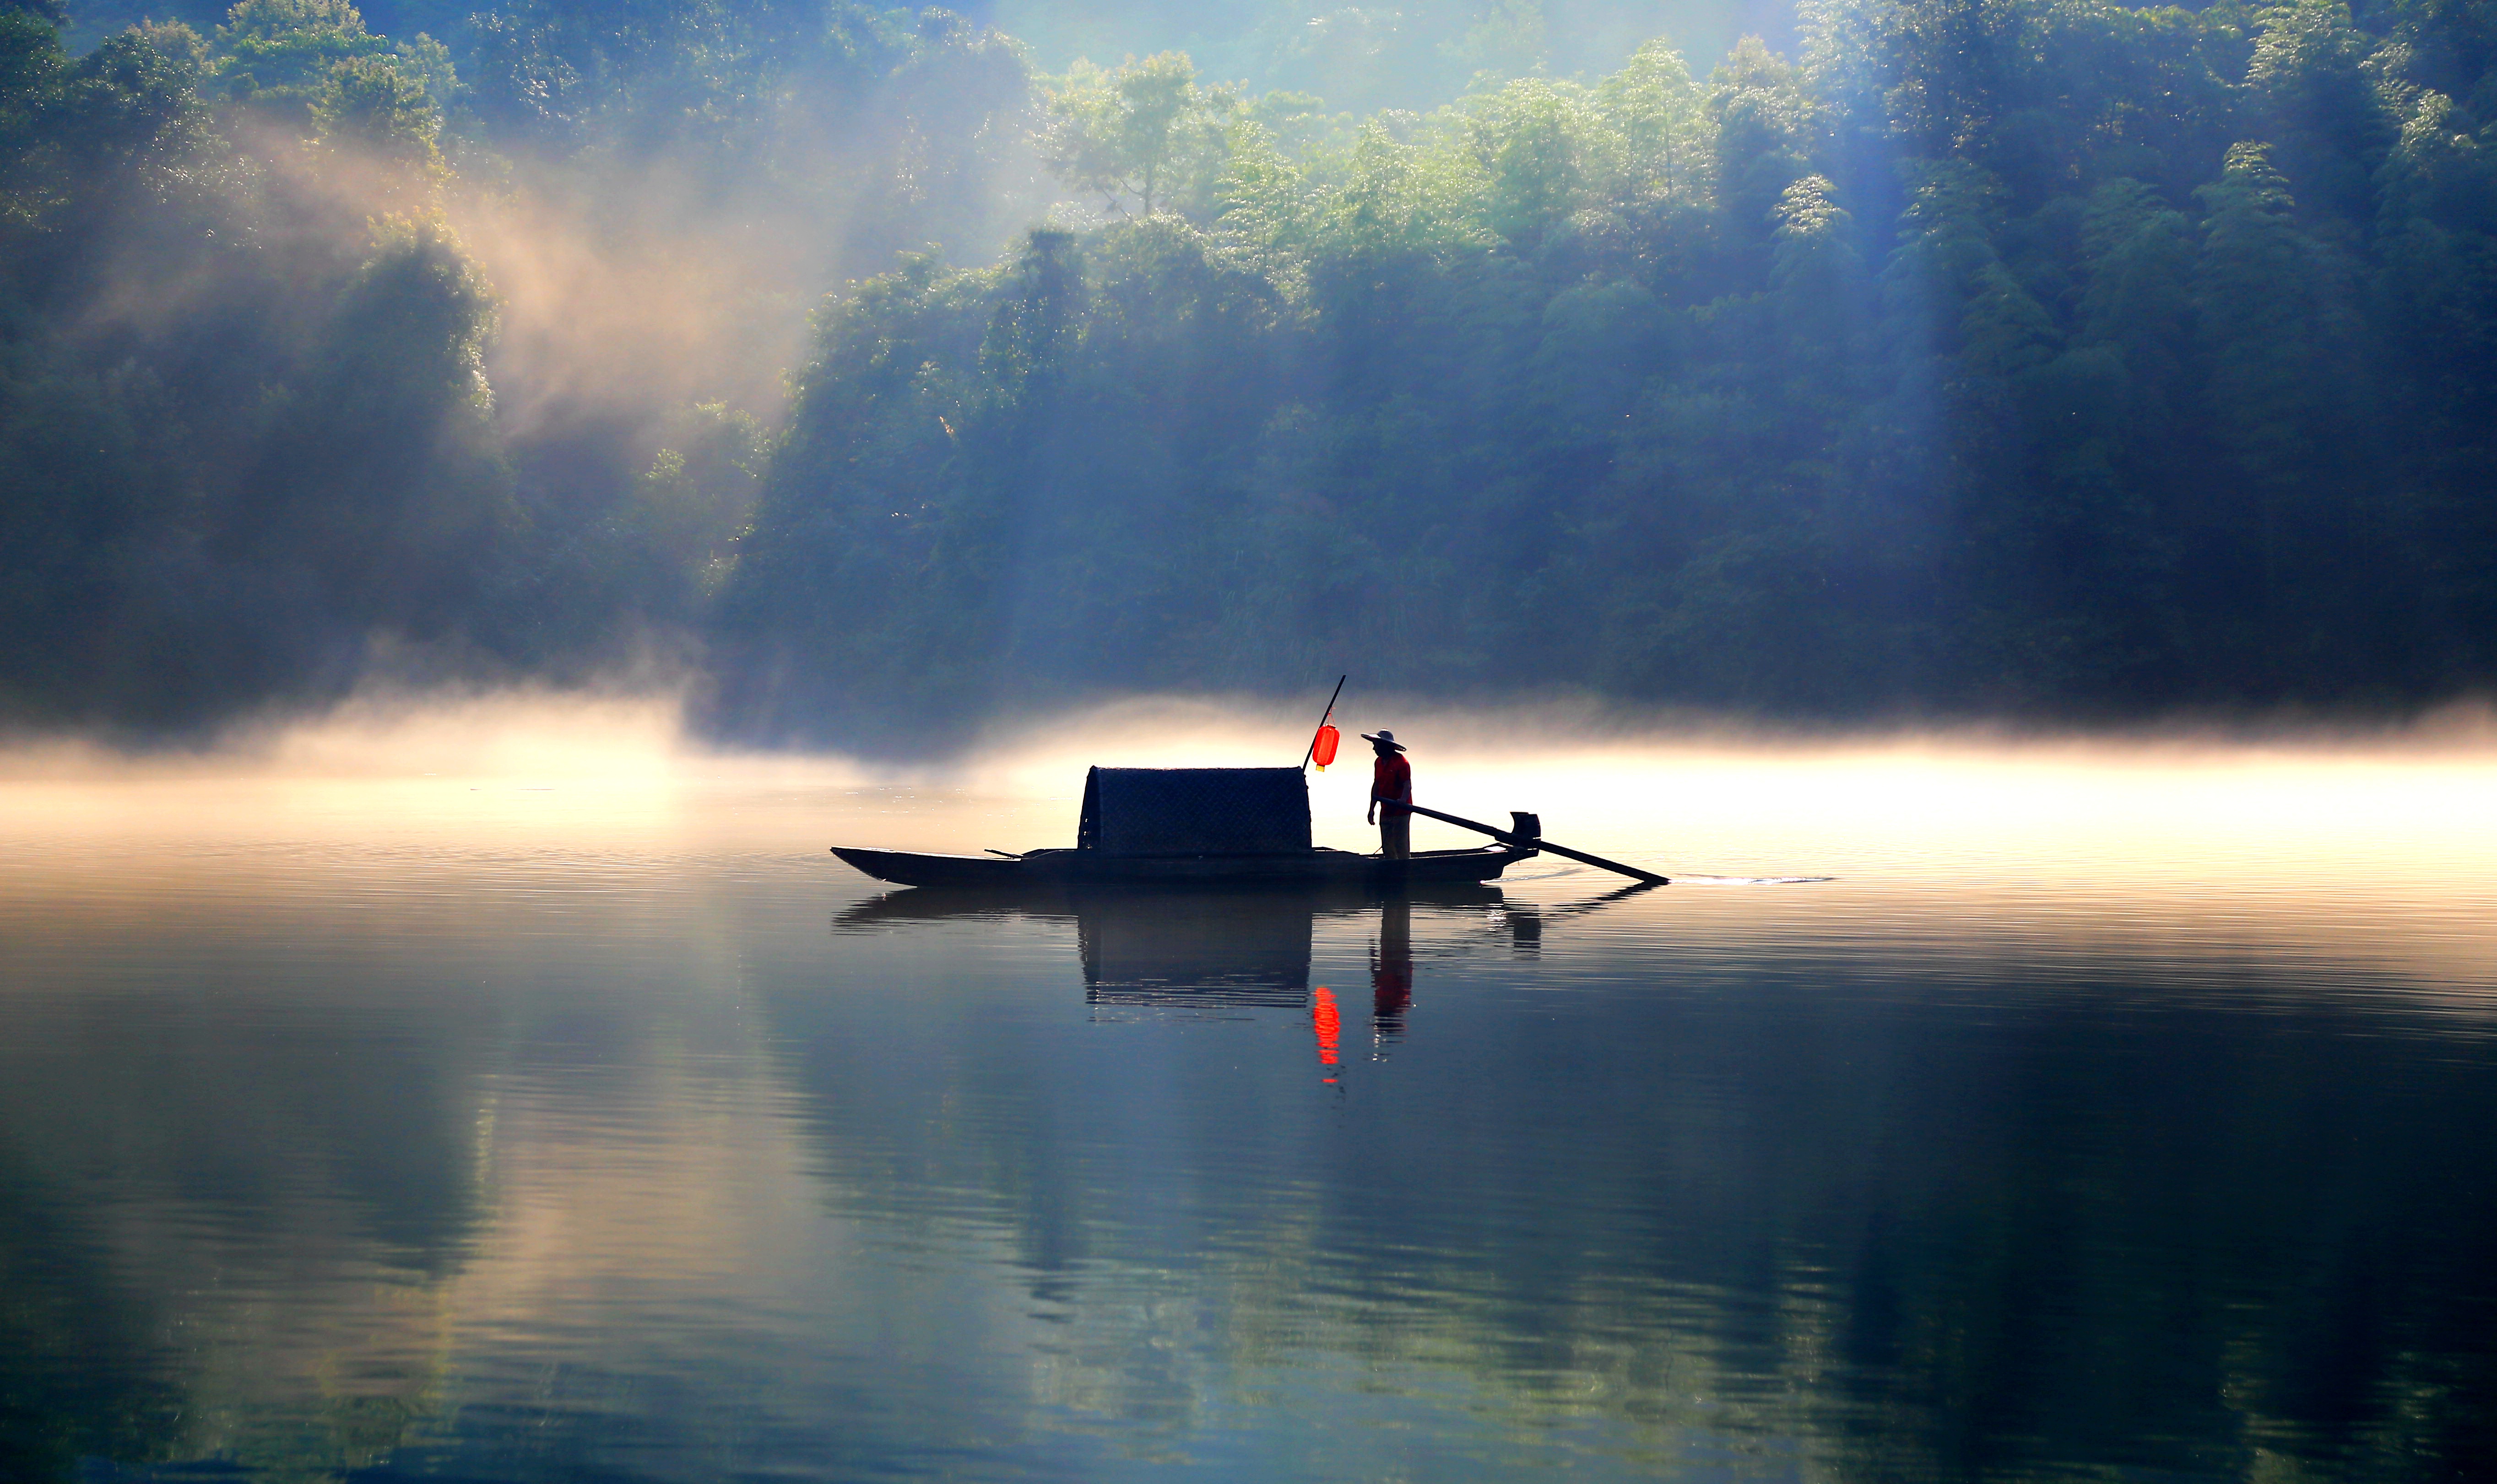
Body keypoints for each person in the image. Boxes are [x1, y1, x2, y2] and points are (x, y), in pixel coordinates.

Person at [1363, 729, 1412, 860]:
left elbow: (1407, 785)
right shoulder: (1378, 763)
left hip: (1401, 811)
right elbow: (1377, 786)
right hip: (1386, 810)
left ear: (1385, 746)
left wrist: (1402, 799)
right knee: (1388, 847)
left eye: (1376, 745)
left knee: (1400, 845)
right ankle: (1392, 872)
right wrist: (1372, 809)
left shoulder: (1402, 763)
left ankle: (1405, 872)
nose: (1374, 748)